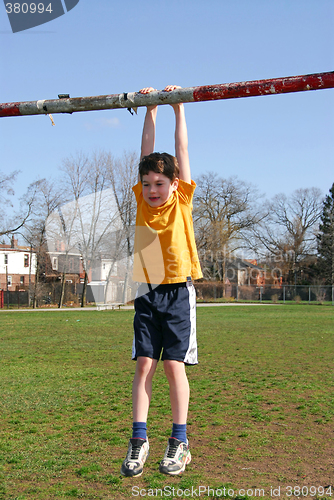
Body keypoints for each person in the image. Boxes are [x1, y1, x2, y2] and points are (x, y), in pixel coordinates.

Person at [121, 85, 202, 478]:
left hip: (178, 292)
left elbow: (180, 153)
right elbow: (145, 154)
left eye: (159, 183)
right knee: (144, 366)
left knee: (173, 367)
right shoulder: (140, 197)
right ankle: (139, 439)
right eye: (148, 183)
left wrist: (178, 110)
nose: (153, 189)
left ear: (172, 183)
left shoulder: (182, 197)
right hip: (147, 291)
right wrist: (148, 110)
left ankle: (179, 441)